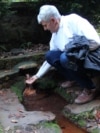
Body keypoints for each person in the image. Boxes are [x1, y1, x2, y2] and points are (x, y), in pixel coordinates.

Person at [26, 5, 100, 104]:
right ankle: (73, 78)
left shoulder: (74, 21)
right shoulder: (55, 35)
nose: (45, 29)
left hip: (93, 57)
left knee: (65, 58)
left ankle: (90, 88)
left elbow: (95, 42)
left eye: (45, 25)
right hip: (74, 60)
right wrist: (37, 76)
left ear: (53, 20)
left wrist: (74, 53)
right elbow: (50, 59)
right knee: (50, 55)